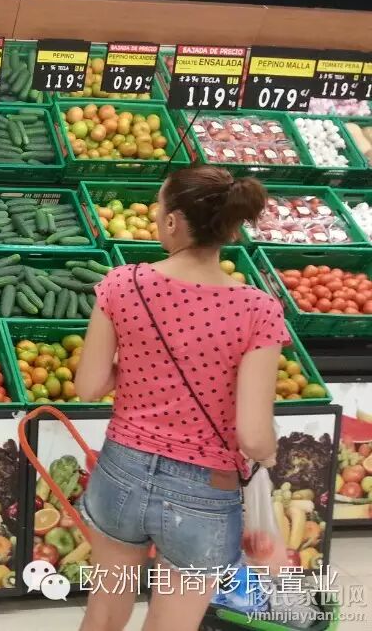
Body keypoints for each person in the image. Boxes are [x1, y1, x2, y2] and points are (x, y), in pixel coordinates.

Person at [74, 166, 289, 631]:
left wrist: (138, 363)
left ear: (172, 221)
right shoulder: (259, 310)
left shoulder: (122, 284)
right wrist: (268, 455)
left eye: (158, 207)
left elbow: (88, 386)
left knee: (104, 611)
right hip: (204, 491)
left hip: (122, 470)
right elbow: (253, 436)